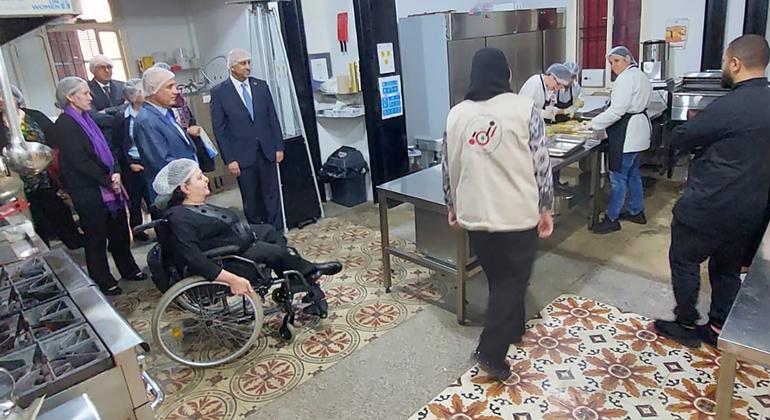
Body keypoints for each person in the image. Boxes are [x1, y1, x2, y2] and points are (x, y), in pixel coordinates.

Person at [443, 48, 554, 381]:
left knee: (500, 279)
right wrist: (545, 207)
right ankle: (491, 352)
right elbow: (541, 163)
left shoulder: (456, 115)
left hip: (476, 214)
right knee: (512, 281)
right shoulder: (524, 108)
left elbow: (448, 168)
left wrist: (452, 205)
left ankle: (514, 328)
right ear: (506, 74)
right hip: (517, 214)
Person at [655, 34, 770, 348]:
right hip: (750, 209)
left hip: (709, 204)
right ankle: (719, 325)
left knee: (685, 259)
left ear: (735, 63)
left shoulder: (729, 105)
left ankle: (686, 321)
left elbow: (682, 138)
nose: (723, 67)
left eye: (723, 61)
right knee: (727, 270)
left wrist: (693, 125)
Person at [153, 159, 341, 305]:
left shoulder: (191, 205)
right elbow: (194, 259)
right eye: (200, 177)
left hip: (234, 239)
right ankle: (309, 272)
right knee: (278, 252)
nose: (206, 179)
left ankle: (293, 278)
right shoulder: (178, 218)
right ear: (185, 188)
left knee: (270, 231)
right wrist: (233, 280)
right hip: (228, 256)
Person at [52, 77, 144, 296]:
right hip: (88, 189)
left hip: (109, 183)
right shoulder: (65, 124)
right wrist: (107, 179)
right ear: (70, 97)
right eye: (85, 93)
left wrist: (116, 173)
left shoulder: (88, 118)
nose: (90, 97)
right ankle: (102, 279)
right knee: (96, 237)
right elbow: (79, 160)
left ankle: (128, 268)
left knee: (120, 231)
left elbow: (107, 147)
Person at [0, 86, 83, 249]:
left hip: (46, 178)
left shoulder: (34, 116)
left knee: (59, 214)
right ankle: (41, 250)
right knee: (34, 224)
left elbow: (56, 144)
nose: (1, 100)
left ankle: (74, 242)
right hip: (19, 185)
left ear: (15, 98)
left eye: (3, 96)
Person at [211, 48, 285, 230]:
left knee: (272, 194)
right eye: (243, 63)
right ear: (232, 67)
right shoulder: (220, 92)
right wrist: (230, 159)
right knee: (251, 197)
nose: (248, 67)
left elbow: (272, 118)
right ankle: (258, 233)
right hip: (242, 155)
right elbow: (220, 130)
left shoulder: (261, 86)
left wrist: (279, 147)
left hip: (267, 150)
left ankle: (276, 232)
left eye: (249, 62)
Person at [589, 46, 652, 234]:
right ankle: (636, 211)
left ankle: (612, 218)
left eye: (616, 61)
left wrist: (592, 124)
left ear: (627, 59)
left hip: (627, 133)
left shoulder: (625, 79)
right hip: (639, 130)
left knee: (617, 177)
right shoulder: (640, 75)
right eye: (610, 62)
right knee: (633, 174)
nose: (613, 66)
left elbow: (617, 111)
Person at [134, 66, 198, 202]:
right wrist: (190, 178)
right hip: (173, 192)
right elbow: (162, 161)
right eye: (169, 87)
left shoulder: (165, 113)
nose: (176, 91)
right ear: (153, 90)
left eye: (175, 85)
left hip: (186, 185)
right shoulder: (147, 121)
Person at [111, 79, 151, 241]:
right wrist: (129, 164)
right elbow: (118, 145)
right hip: (132, 163)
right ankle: (137, 229)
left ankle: (161, 227)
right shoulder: (122, 117)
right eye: (136, 92)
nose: (140, 94)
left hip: (150, 161)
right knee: (134, 200)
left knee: (154, 198)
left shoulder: (150, 112)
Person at [87, 55, 125, 143]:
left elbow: (129, 106)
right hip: (103, 137)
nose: (107, 71)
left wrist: (107, 111)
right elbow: (93, 116)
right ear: (93, 70)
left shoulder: (122, 86)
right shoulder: (87, 89)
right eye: (101, 67)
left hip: (124, 136)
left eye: (109, 67)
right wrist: (121, 118)